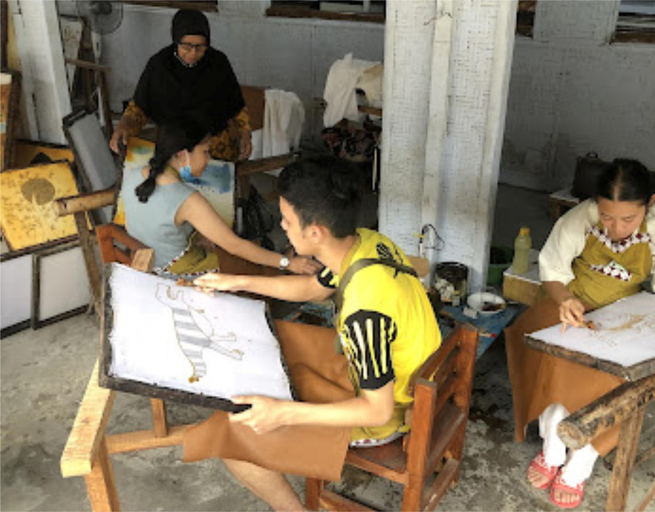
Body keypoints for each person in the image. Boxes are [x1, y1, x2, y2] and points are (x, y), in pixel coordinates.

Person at [191, 155, 442, 510]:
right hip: (401, 371)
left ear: (315, 233)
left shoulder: (363, 312)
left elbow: (376, 411)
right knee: (276, 337)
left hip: (389, 413)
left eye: (287, 221)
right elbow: (312, 288)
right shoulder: (365, 243)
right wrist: (236, 281)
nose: (282, 225)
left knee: (234, 439)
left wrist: (283, 413)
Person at [505, 158, 655, 509]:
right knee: (553, 377)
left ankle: (579, 466)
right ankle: (553, 451)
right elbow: (552, 270)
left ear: (651, 203)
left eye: (628, 219)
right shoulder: (579, 218)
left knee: (617, 389)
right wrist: (565, 298)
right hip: (568, 304)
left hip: (623, 314)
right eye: (607, 216)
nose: (615, 228)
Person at [121, 119, 320, 277]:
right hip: (173, 273)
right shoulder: (187, 200)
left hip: (144, 262)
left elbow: (154, 223)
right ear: (182, 155)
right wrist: (286, 263)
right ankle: (287, 261)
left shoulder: (133, 174)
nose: (209, 159)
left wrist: (197, 238)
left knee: (243, 251)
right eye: (205, 152)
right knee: (250, 262)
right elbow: (235, 245)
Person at [109, 9, 252, 162]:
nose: (193, 53)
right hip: (176, 151)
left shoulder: (218, 63)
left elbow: (236, 105)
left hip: (216, 149)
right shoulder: (160, 66)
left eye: (200, 47)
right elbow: (139, 107)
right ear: (176, 40)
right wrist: (124, 125)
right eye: (186, 46)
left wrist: (245, 133)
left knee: (214, 184)